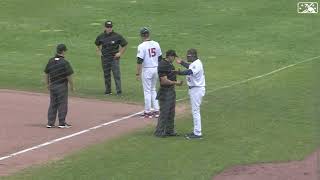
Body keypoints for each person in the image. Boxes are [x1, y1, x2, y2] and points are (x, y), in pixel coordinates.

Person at [176, 48, 206, 139]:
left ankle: (198, 133)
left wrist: (180, 73)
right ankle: (196, 131)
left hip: (197, 89)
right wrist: (181, 62)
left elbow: (190, 71)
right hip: (194, 89)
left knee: (195, 111)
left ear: (193, 56)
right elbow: (189, 66)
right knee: (195, 111)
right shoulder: (195, 63)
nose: (187, 57)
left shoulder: (197, 64)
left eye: (188, 56)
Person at [44, 44, 74, 128]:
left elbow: (46, 73)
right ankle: (62, 123)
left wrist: (47, 84)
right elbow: (69, 76)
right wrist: (72, 86)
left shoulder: (51, 61)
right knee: (62, 104)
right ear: (63, 51)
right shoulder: (64, 62)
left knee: (53, 104)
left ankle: (50, 123)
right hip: (61, 86)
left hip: (52, 85)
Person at [154, 50, 183, 137]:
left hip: (171, 91)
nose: (174, 59)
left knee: (171, 112)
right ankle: (159, 132)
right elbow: (163, 81)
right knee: (164, 112)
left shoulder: (169, 64)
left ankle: (169, 131)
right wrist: (176, 83)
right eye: (173, 57)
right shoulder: (163, 64)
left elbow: (169, 73)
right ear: (170, 56)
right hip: (165, 92)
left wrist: (176, 72)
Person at [95, 20, 128, 95]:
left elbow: (124, 44)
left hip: (114, 58)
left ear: (112, 27)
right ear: (105, 27)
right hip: (105, 58)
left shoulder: (117, 36)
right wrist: (99, 52)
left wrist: (120, 53)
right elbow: (97, 44)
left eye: (110, 27)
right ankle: (108, 91)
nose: (109, 28)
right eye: (107, 27)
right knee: (106, 74)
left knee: (116, 75)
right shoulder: (101, 36)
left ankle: (119, 91)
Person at [136, 27, 162, 118]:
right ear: (148, 34)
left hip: (147, 70)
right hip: (156, 69)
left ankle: (147, 111)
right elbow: (160, 58)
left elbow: (139, 60)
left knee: (147, 91)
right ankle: (156, 110)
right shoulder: (156, 44)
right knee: (153, 89)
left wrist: (138, 73)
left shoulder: (141, 46)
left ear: (141, 35)